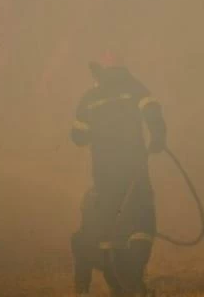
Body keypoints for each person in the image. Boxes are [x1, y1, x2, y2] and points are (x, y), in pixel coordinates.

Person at [70, 53, 166, 296]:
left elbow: (78, 136)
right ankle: (133, 279)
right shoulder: (133, 86)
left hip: (104, 175)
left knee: (108, 227)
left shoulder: (91, 96)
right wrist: (157, 138)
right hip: (135, 169)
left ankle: (117, 282)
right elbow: (152, 109)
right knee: (141, 217)